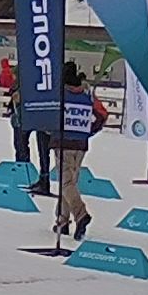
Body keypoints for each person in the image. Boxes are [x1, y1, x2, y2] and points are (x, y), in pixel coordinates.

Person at [54, 62, 109, 238]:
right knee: (70, 183)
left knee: (65, 183)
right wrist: (90, 130)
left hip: (63, 142)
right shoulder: (88, 94)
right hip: (81, 144)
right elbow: (102, 115)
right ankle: (62, 222)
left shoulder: (60, 93)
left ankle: (81, 215)